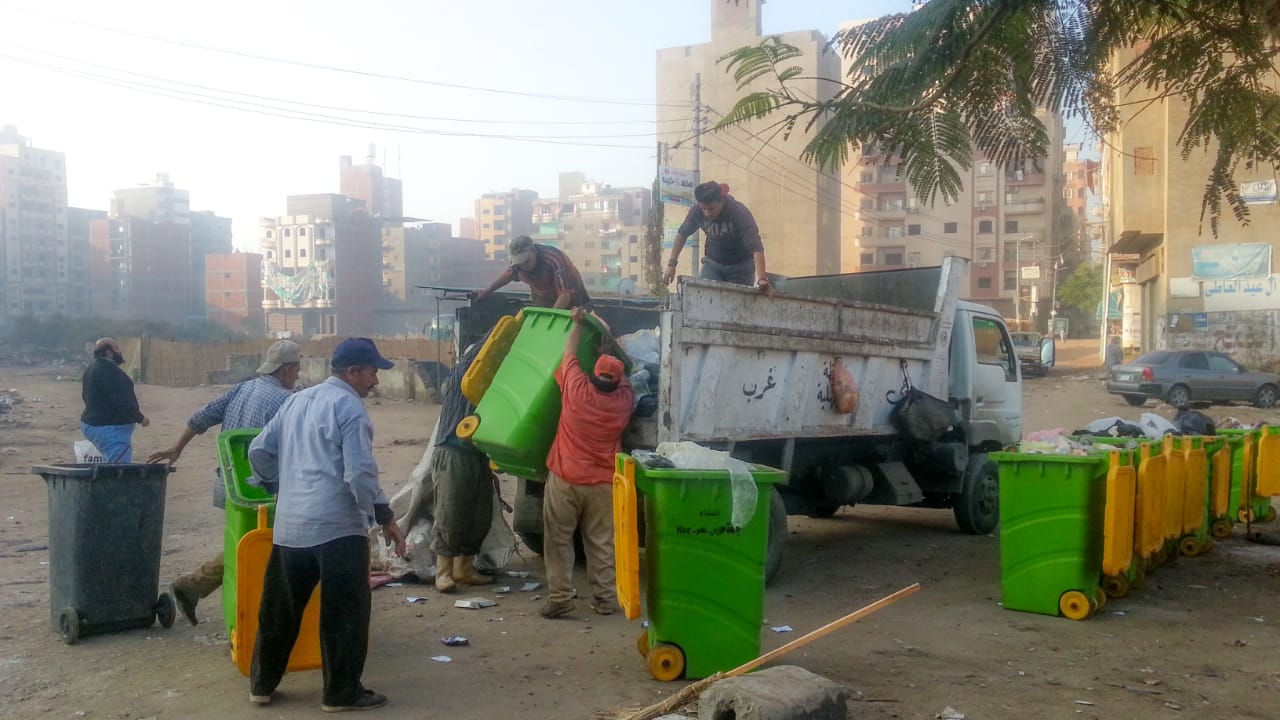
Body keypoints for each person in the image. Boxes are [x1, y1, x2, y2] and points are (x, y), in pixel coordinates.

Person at [246, 338, 406, 712]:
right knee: (344, 615)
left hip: (291, 528)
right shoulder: (349, 408)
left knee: (279, 612)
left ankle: (261, 685)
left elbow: (259, 451)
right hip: (338, 529)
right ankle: (340, 693)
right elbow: (360, 474)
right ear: (353, 372)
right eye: (373, 373)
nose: (375, 381)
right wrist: (381, 515)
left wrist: (279, 486)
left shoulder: (296, 401)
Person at [147, 340, 302, 626]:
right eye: (297, 371)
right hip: (261, 490)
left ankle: (196, 588)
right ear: (287, 370)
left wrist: (176, 448)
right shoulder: (286, 400)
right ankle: (195, 586)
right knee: (261, 543)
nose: (298, 377)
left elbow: (200, 418)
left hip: (228, 484)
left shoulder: (243, 388)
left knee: (246, 541)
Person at [540, 308, 634, 619]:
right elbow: (624, 380)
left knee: (558, 539)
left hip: (565, 478)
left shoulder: (577, 389)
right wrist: (611, 355)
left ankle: (560, 597)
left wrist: (578, 324)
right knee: (602, 543)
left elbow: (569, 354)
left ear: (594, 373)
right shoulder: (623, 402)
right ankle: (605, 599)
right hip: (603, 483)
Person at [663, 181, 769, 291]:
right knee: (703, 295)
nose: (707, 213)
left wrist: (762, 278)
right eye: (704, 208)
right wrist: (671, 264)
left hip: (740, 267)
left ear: (721, 201)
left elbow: (756, 246)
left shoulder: (738, 212)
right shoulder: (697, 212)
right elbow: (682, 234)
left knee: (736, 300)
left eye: (711, 209)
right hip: (712, 264)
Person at [472, 235, 591, 309]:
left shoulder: (553, 258)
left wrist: (551, 317)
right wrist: (487, 291)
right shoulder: (518, 265)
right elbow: (509, 274)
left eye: (526, 261)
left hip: (573, 301)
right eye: (520, 262)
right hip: (543, 298)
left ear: (534, 251)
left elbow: (565, 294)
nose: (523, 266)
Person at [80, 337, 148, 463]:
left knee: (112, 464)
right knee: (118, 470)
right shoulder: (110, 371)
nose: (120, 351)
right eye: (116, 348)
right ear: (109, 352)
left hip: (95, 424)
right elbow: (121, 399)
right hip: (110, 430)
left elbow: (85, 396)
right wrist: (140, 418)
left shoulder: (92, 369)